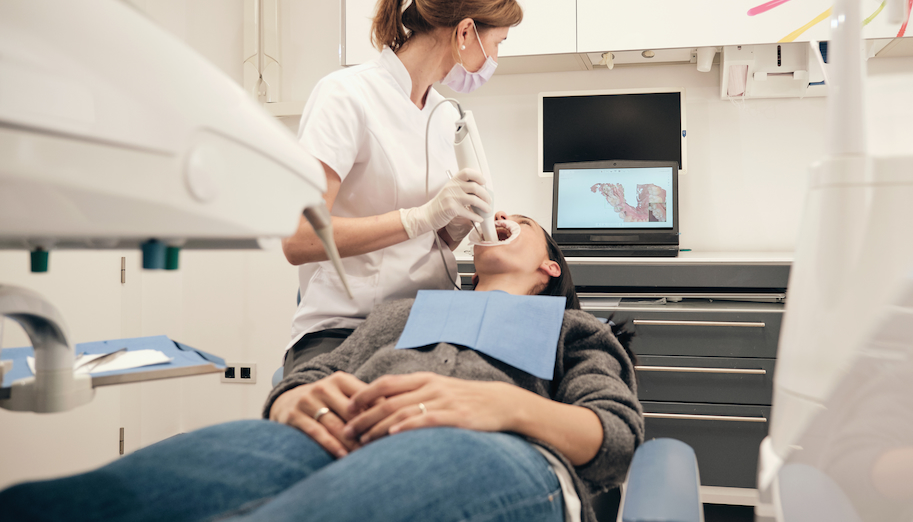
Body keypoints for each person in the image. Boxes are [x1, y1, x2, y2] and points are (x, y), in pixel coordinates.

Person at [0, 213, 643, 522]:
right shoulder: (403, 313)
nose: (499, 217)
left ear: (551, 267)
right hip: (337, 436)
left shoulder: (570, 329)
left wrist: (505, 409)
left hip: (500, 451)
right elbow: (310, 377)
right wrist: (288, 403)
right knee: (83, 504)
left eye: (521, 222)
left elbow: (615, 437)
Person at [279, 0, 523, 375]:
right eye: (497, 43)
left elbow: (427, 243)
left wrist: (458, 223)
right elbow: (298, 240)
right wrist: (420, 216)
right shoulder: (346, 96)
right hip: (347, 329)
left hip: (432, 326)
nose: (495, 58)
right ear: (466, 32)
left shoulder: (445, 113)